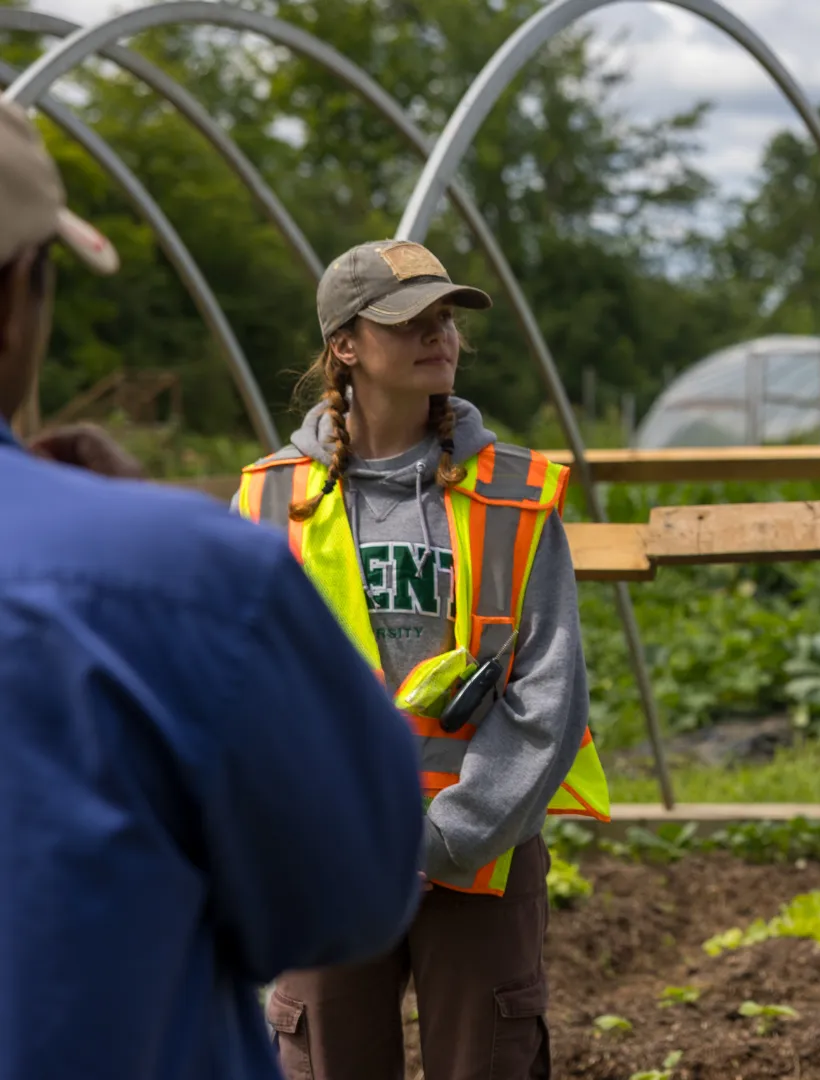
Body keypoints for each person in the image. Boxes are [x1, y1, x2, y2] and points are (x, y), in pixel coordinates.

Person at [0, 101, 425, 1080]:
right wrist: (135, 536)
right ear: (20, 292)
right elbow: (348, 891)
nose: (439, 340)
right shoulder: (184, 574)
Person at [236, 238, 613, 1080]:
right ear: (345, 345)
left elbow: (548, 692)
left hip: (478, 858)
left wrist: (444, 840)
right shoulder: (269, 498)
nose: (438, 335)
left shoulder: (515, 495)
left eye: (446, 317)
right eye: (409, 320)